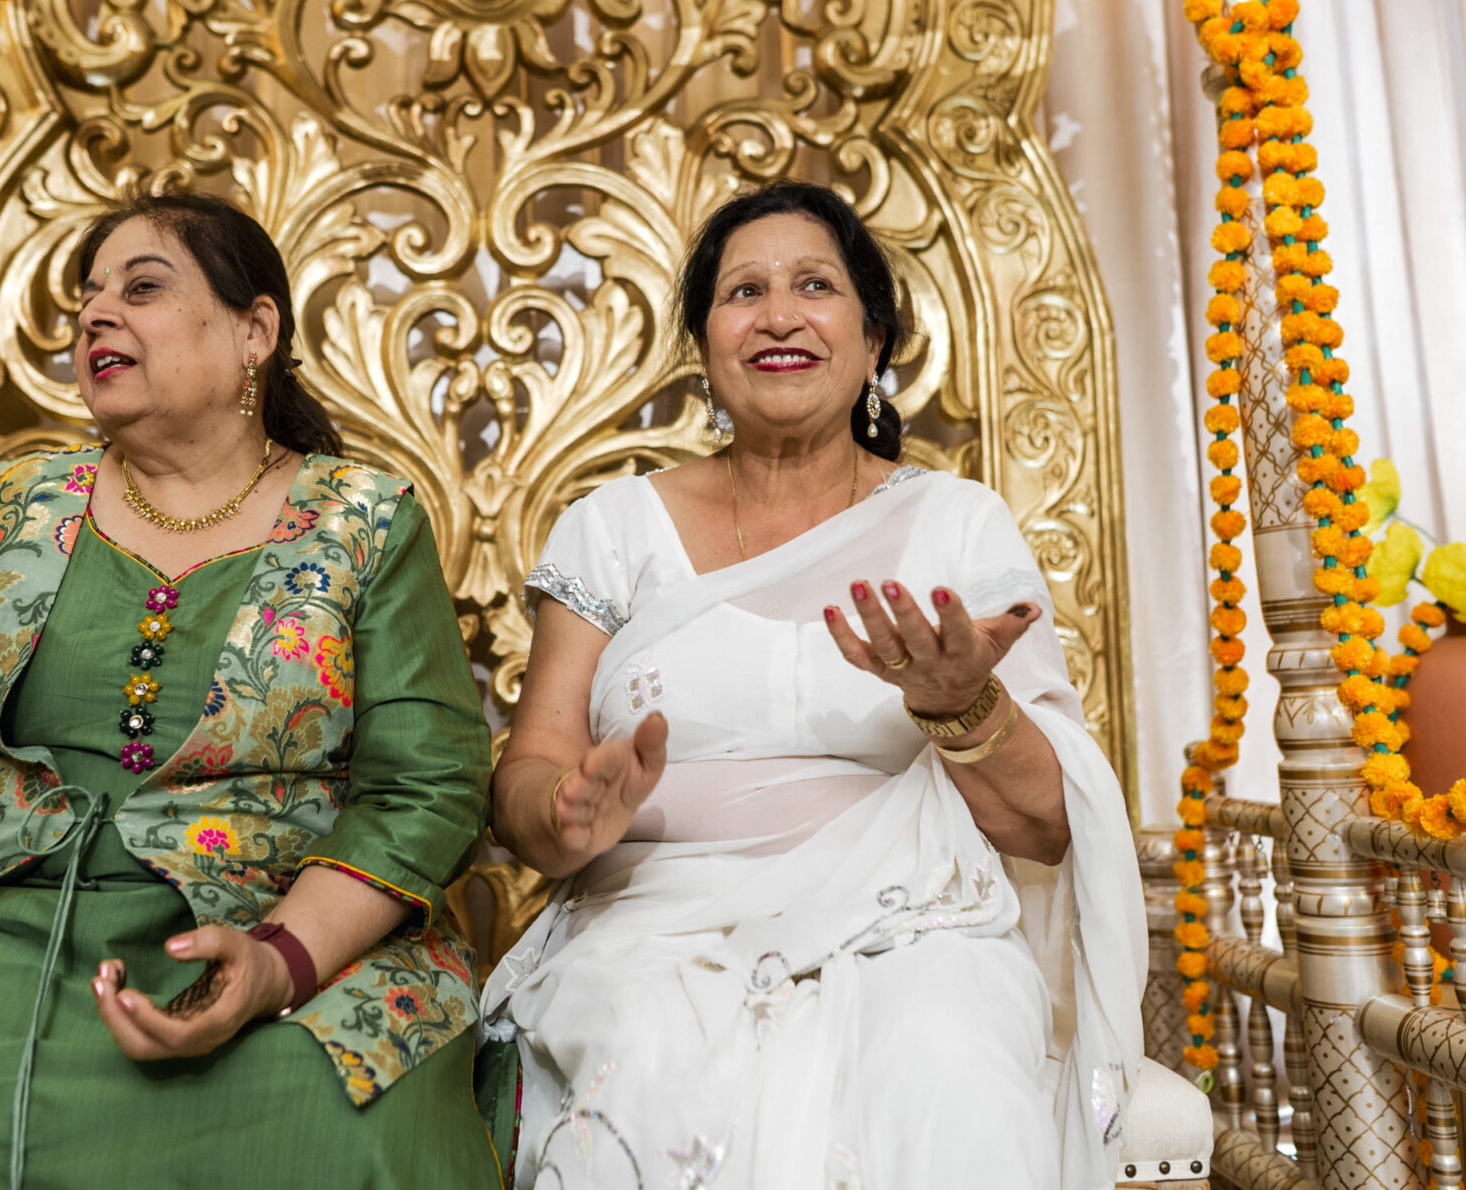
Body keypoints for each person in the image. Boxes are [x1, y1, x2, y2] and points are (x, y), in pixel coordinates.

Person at [0, 192, 505, 1188]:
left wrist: (277, 967)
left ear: (256, 331)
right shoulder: (18, 502)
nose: (94, 316)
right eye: (86, 298)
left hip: (268, 933)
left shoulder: (366, 519)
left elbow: (425, 787)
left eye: (143, 287)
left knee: (329, 1123)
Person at [481, 180, 1145, 1189]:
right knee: (646, 1067)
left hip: (915, 932)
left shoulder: (959, 525)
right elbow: (530, 773)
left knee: (949, 1074)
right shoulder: (613, 528)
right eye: (744, 291)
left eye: (814, 286)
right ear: (707, 345)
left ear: (873, 342)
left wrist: (962, 707)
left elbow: (1048, 828)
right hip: (648, 932)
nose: (780, 314)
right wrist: (565, 813)